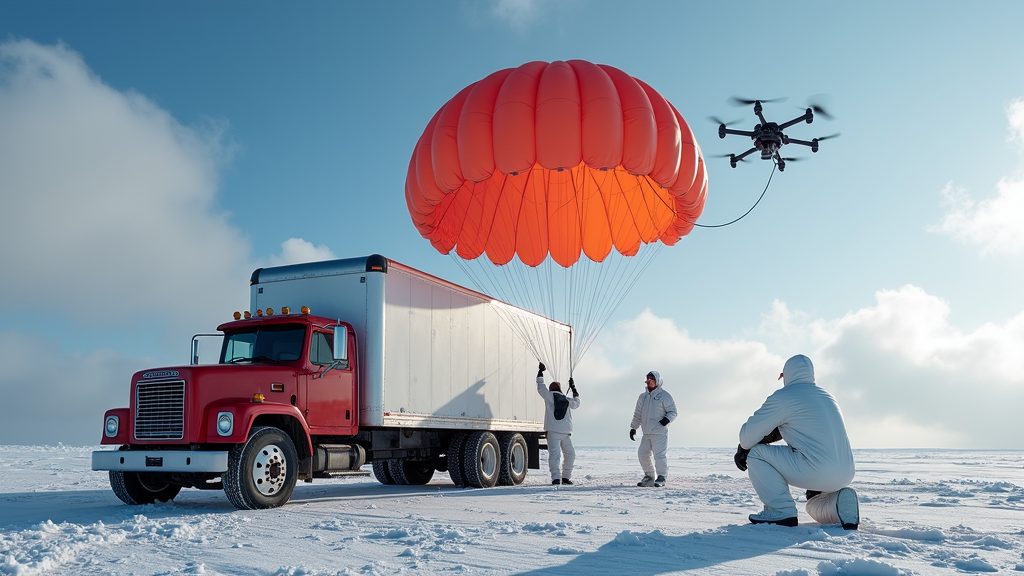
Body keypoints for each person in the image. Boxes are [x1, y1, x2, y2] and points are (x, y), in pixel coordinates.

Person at [735, 354, 859, 529]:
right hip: (845, 472)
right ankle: (838, 502)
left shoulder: (784, 397)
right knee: (814, 502)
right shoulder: (828, 396)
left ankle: (780, 510)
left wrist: (742, 450)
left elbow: (747, 437)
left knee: (756, 454)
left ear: (785, 375)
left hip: (817, 469)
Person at [629, 371, 677, 487]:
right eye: (648, 379)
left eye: (652, 379)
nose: (649, 381)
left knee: (659, 455)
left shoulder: (664, 396)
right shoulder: (643, 397)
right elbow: (637, 414)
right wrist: (633, 428)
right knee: (642, 454)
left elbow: (673, 411)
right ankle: (649, 476)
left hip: (659, 432)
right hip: (646, 433)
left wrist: (667, 419)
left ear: (657, 381)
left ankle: (661, 477)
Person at [536, 362, 580, 485]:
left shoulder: (549, 396)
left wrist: (540, 372)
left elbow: (540, 387)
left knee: (555, 455)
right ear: (560, 389)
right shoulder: (566, 399)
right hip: (566, 432)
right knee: (570, 454)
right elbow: (577, 402)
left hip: (553, 432)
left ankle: (556, 478)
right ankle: (566, 477)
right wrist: (573, 388)